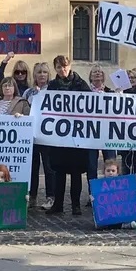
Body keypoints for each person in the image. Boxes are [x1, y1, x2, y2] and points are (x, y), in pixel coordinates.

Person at [46, 55, 91, 216]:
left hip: (76, 135)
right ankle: (58, 204)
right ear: (55, 69)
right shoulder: (52, 86)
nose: (62, 70)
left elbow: (90, 105)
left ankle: (75, 205)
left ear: (69, 66)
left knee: (76, 172)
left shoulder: (81, 84)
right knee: (59, 172)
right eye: (59, 67)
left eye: (64, 67)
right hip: (59, 134)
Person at [22, 62, 55, 209]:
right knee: (32, 167)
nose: (42, 75)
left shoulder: (53, 90)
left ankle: (50, 197)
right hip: (31, 135)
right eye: (39, 72)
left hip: (47, 135)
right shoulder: (28, 93)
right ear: (34, 75)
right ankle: (33, 196)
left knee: (48, 167)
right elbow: (23, 110)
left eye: (44, 72)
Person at [87, 65, 116, 200]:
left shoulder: (111, 93)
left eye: (99, 72)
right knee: (91, 165)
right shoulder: (85, 93)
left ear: (103, 76)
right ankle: (92, 194)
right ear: (90, 76)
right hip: (91, 133)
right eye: (94, 72)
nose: (97, 74)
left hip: (108, 133)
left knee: (111, 163)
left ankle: (111, 192)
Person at [90, 159, 136, 229]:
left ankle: (123, 224)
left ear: (117, 172)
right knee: (102, 223)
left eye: (113, 171)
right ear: (104, 172)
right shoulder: (99, 185)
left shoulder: (123, 184)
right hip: (107, 214)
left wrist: (135, 194)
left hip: (120, 213)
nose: (110, 173)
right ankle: (119, 225)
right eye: (108, 171)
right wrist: (93, 198)